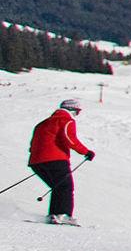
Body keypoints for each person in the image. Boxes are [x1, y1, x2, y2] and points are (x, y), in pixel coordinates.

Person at [29, 97, 94, 226]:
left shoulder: (43, 123)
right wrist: (86, 152)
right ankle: (62, 215)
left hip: (36, 162)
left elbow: (33, 144)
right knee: (65, 186)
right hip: (56, 159)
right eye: (77, 111)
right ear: (72, 109)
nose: (77, 114)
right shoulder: (66, 120)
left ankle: (54, 215)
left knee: (58, 186)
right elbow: (69, 139)